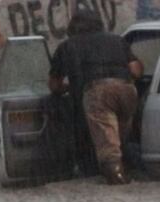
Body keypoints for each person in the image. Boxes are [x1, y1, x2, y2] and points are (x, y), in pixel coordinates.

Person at [49, 10, 143, 185]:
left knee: (108, 147)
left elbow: (54, 85)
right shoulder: (117, 40)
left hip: (98, 93)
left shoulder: (67, 47)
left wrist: (70, 87)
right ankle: (135, 174)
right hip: (127, 90)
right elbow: (136, 70)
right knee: (121, 140)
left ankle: (117, 184)